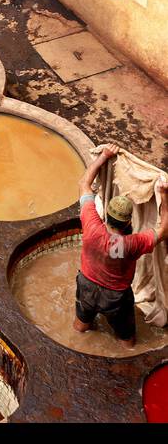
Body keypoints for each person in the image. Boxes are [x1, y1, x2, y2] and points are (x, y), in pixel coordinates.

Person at [74, 144, 168, 350]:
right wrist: (163, 195)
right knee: (128, 343)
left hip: (86, 285)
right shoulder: (133, 244)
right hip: (115, 297)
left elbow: (84, 184)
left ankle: (78, 344)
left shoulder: (92, 226)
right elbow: (163, 230)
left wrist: (104, 156)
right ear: (128, 222)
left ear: (107, 213)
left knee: (80, 328)